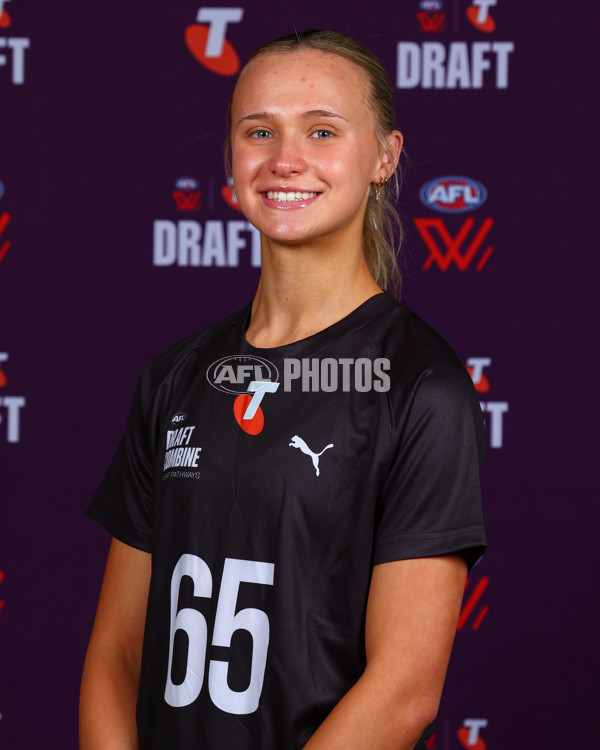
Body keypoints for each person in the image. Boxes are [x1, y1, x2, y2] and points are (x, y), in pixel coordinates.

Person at [79, 30, 486, 750]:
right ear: (231, 159)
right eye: (258, 130)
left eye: (321, 130)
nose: (285, 159)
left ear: (384, 158)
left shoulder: (422, 386)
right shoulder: (176, 377)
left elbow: (405, 693)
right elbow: (116, 651)